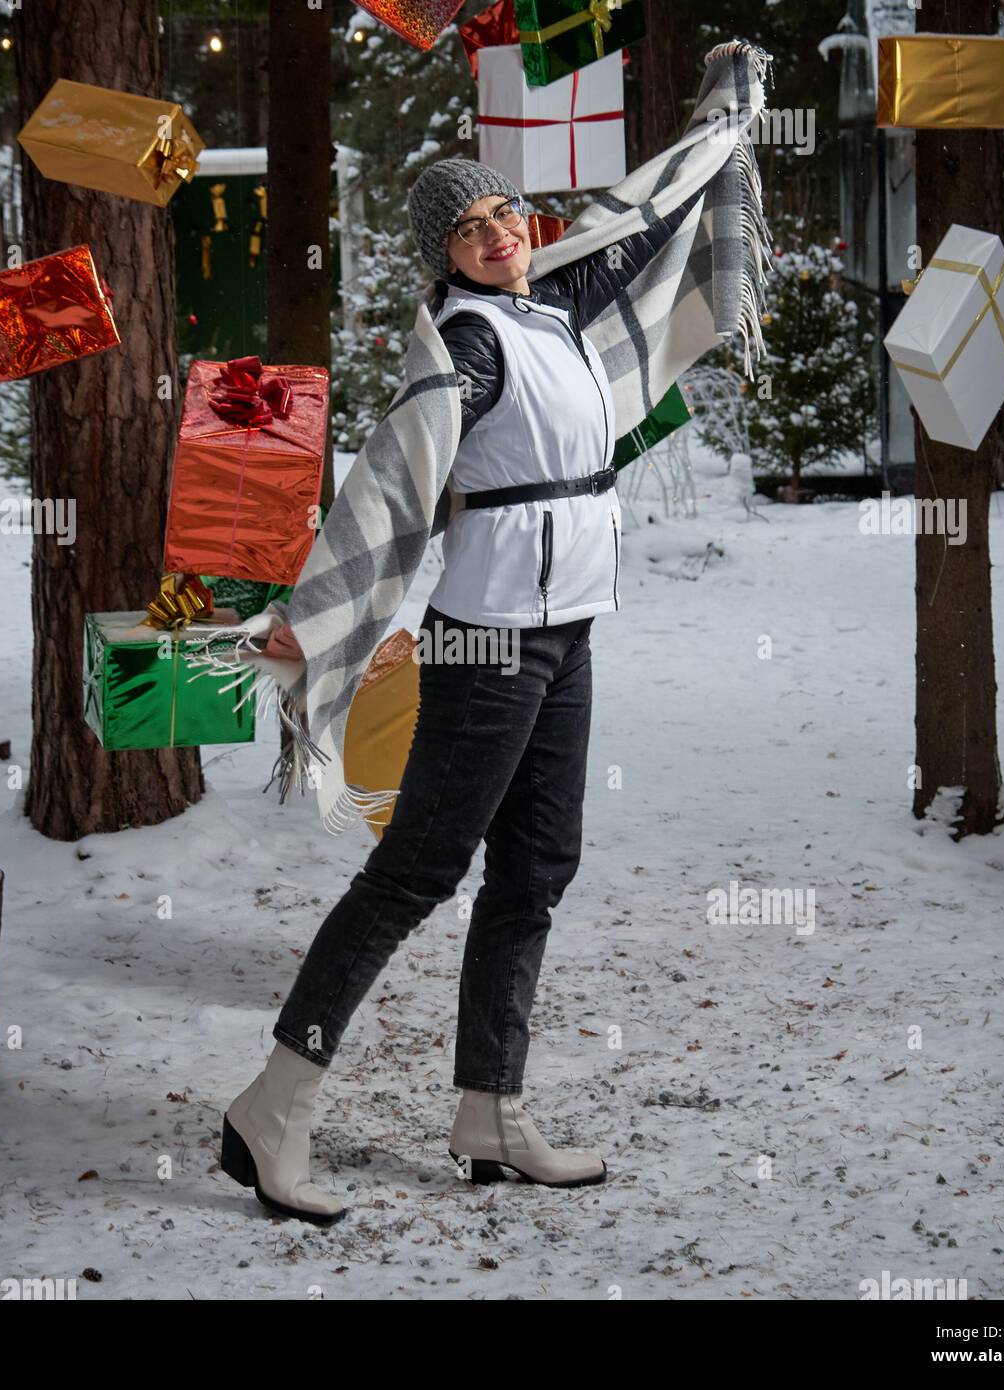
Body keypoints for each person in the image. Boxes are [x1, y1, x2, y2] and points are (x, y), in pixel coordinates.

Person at [221, 157, 693, 1225]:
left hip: (566, 632)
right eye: (466, 228)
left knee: (534, 869)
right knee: (416, 872)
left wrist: (723, 118)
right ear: (441, 253)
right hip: (489, 642)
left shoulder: (553, 316)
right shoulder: (471, 343)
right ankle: (274, 1104)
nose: (494, 235)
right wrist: (319, 609)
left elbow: (648, 216)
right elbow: (398, 470)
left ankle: (491, 1109)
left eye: (502, 215)